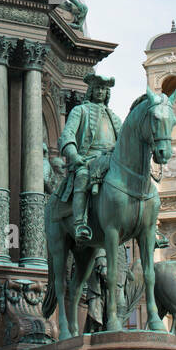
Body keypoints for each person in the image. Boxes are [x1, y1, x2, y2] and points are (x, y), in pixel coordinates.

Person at [57, 75, 122, 243]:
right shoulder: (80, 111)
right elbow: (67, 135)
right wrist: (74, 155)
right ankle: (80, 223)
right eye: (97, 88)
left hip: (112, 161)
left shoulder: (114, 117)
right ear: (91, 90)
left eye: (103, 89)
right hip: (88, 159)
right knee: (82, 177)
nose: (100, 91)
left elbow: (124, 141)